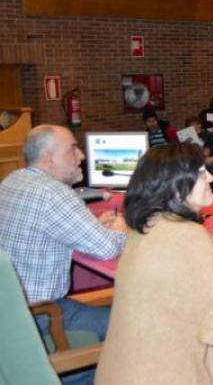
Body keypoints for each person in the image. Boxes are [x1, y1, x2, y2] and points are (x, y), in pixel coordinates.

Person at [95, 143, 213, 384]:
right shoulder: (188, 236)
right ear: (177, 186)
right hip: (167, 376)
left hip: (122, 373)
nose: (212, 177)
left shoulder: (144, 227)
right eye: (202, 173)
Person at [0, 125, 126, 385]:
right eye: (72, 149)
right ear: (49, 158)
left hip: (10, 312)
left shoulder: (12, 180)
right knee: (137, 324)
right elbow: (107, 248)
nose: (81, 156)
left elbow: (49, 228)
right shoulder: (54, 193)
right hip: (43, 314)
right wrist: (123, 228)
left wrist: (95, 227)